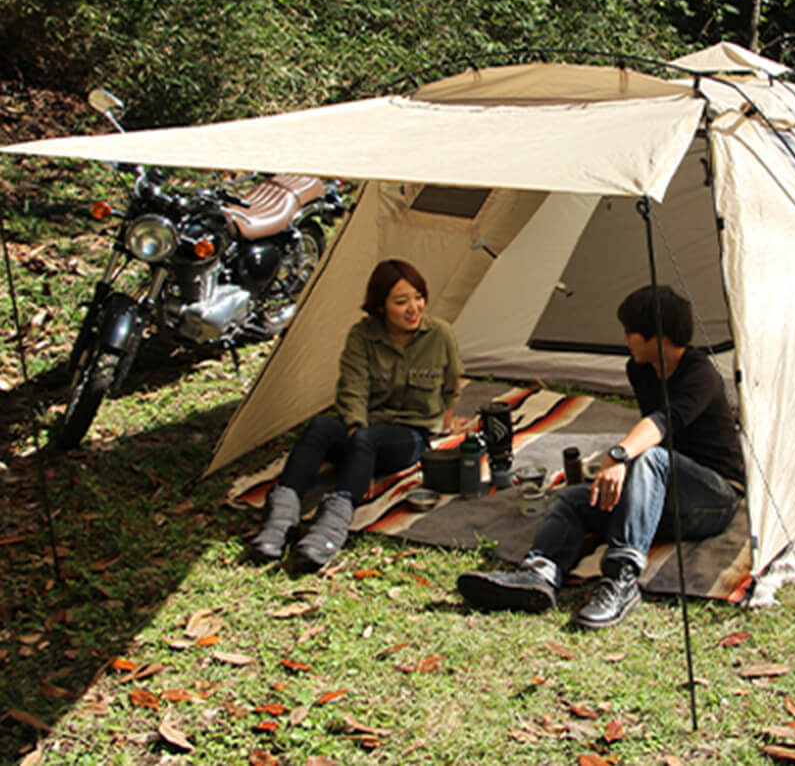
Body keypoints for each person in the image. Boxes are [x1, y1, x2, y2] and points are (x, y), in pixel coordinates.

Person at [456, 284, 744, 629]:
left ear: (658, 337)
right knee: (575, 499)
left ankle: (622, 579)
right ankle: (540, 574)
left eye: (630, 332)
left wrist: (620, 456)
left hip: (713, 497)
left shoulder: (700, 375)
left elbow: (661, 424)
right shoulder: (639, 369)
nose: (625, 339)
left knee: (650, 457)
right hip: (659, 495)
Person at [250, 258, 464, 572]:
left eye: (418, 298)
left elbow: (452, 381)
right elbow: (352, 387)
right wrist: (353, 426)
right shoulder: (362, 337)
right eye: (401, 301)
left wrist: (446, 418)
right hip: (365, 426)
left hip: (408, 434)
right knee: (320, 427)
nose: (414, 308)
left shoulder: (439, 334)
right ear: (380, 306)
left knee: (367, 440)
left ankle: (329, 530)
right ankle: (280, 519)